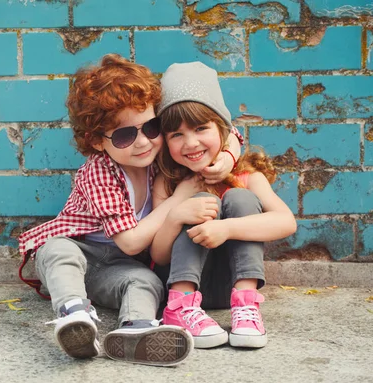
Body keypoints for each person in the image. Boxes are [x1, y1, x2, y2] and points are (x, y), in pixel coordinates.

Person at [17, 55, 242, 366]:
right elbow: (132, 241)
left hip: (116, 268)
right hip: (81, 251)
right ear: (97, 141)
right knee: (56, 251)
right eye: (125, 135)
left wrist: (229, 157)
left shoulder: (159, 156)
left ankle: (135, 331)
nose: (142, 142)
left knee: (146, 282)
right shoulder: (98, 172)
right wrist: (182, 198)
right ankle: (74, 314)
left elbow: (228, 130)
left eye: (151, 126)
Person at [151, 62, 297, 349]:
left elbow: (286, 222)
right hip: (179, 282)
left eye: (201, 128)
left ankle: (247, 306)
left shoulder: (246, 176)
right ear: (166, 141)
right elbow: (158, 254)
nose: (191, 143)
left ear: (223, 130)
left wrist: (227, 228)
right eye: (176, 135)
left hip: (227, 289)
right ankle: (179, 308)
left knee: (239, 197)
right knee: (199, 202)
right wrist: (176, 216)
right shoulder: (167, 183)